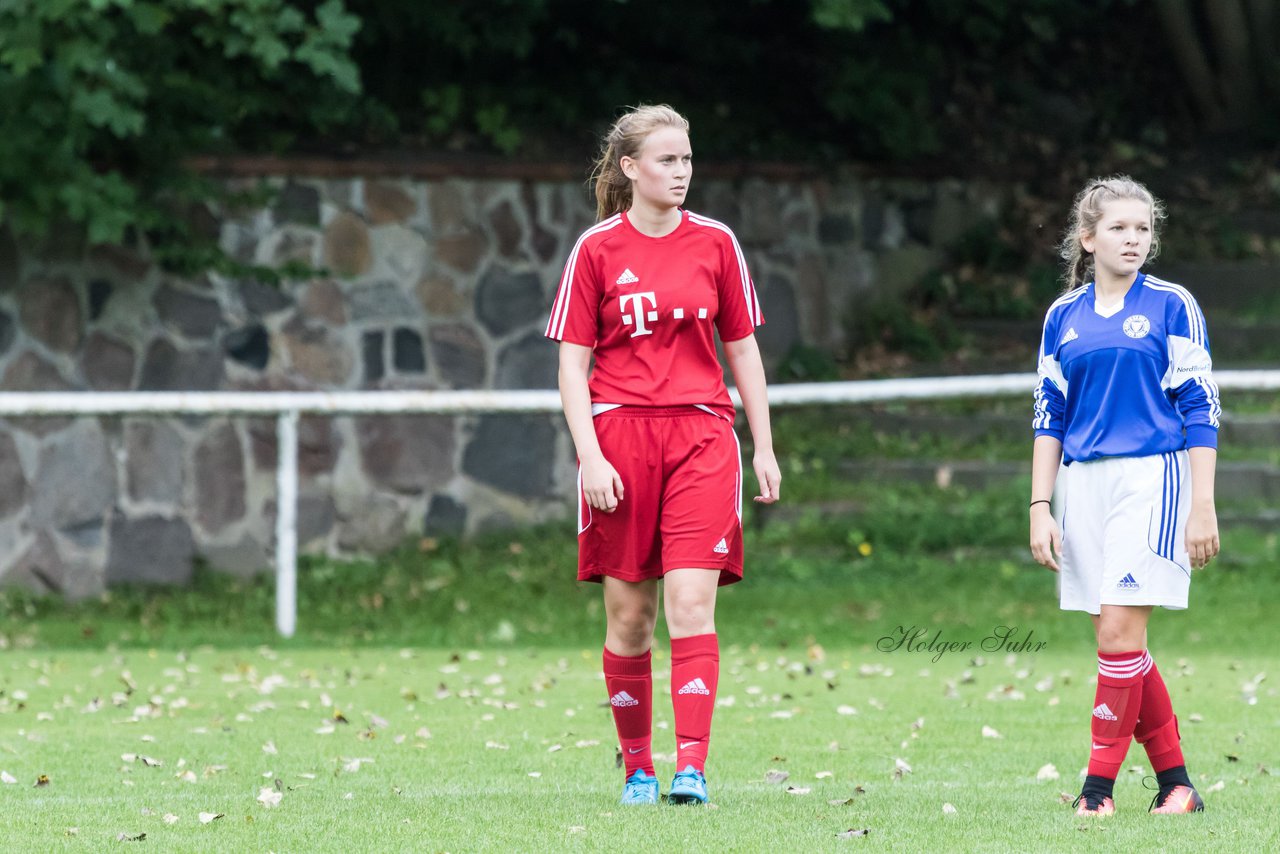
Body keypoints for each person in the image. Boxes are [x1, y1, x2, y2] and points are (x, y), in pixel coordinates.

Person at [544, 104, 781, 806]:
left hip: (702, 438)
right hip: (619, 440)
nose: (681, 173)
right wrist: (589, 456)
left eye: (686, 160)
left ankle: (692, 769)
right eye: (666, 161)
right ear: (630, 168)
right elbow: (571, 367)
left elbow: (742, 349)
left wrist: (763, 445)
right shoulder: (596, 250)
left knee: (690, 600)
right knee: (630, 616)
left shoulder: (716, 243)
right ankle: (638, 769)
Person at [1029, 176, 1221, 816]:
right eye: (1118, 227)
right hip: (1082, 485)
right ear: (1087, 238)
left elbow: (1201, 408)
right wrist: (1039, 507)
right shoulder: (1063, 316)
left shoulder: (1173, 305)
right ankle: (1178, 786)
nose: (1133, 238)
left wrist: (1202, 503)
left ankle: (1096, 793)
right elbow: (1048, 415)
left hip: (1152, 478)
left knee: (1117, 637)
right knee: (1123, 647)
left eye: (1142, 228)